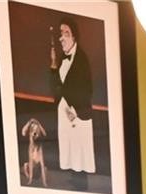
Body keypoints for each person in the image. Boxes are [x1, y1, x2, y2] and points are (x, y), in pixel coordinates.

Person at [50, 20, 97, 185]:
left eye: (66, 33)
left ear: (74, 36)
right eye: (60, 34)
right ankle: (75, 176)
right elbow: (59, 84)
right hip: (64, 108)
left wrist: (75, 111)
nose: (61, 38)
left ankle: (81, 180)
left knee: (79, 144)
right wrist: (53, 67)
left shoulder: (81, 59)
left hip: (77, 111)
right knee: (69, 143)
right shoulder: (63, 58)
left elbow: (87, 88)